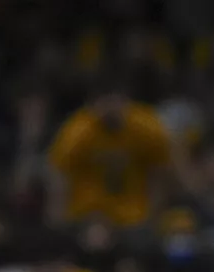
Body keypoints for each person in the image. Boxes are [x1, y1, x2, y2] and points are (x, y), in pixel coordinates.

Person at [47, 72, 174, 227]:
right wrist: (58, 223)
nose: (111, 108)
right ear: (93, 105)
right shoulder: (78, 131)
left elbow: (160, 173)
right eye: (105, 101)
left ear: (126, 101)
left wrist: (153, 219)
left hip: (135, 215)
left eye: (115, 100)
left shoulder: (146, 127)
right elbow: (59, 176)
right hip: (89, 214)